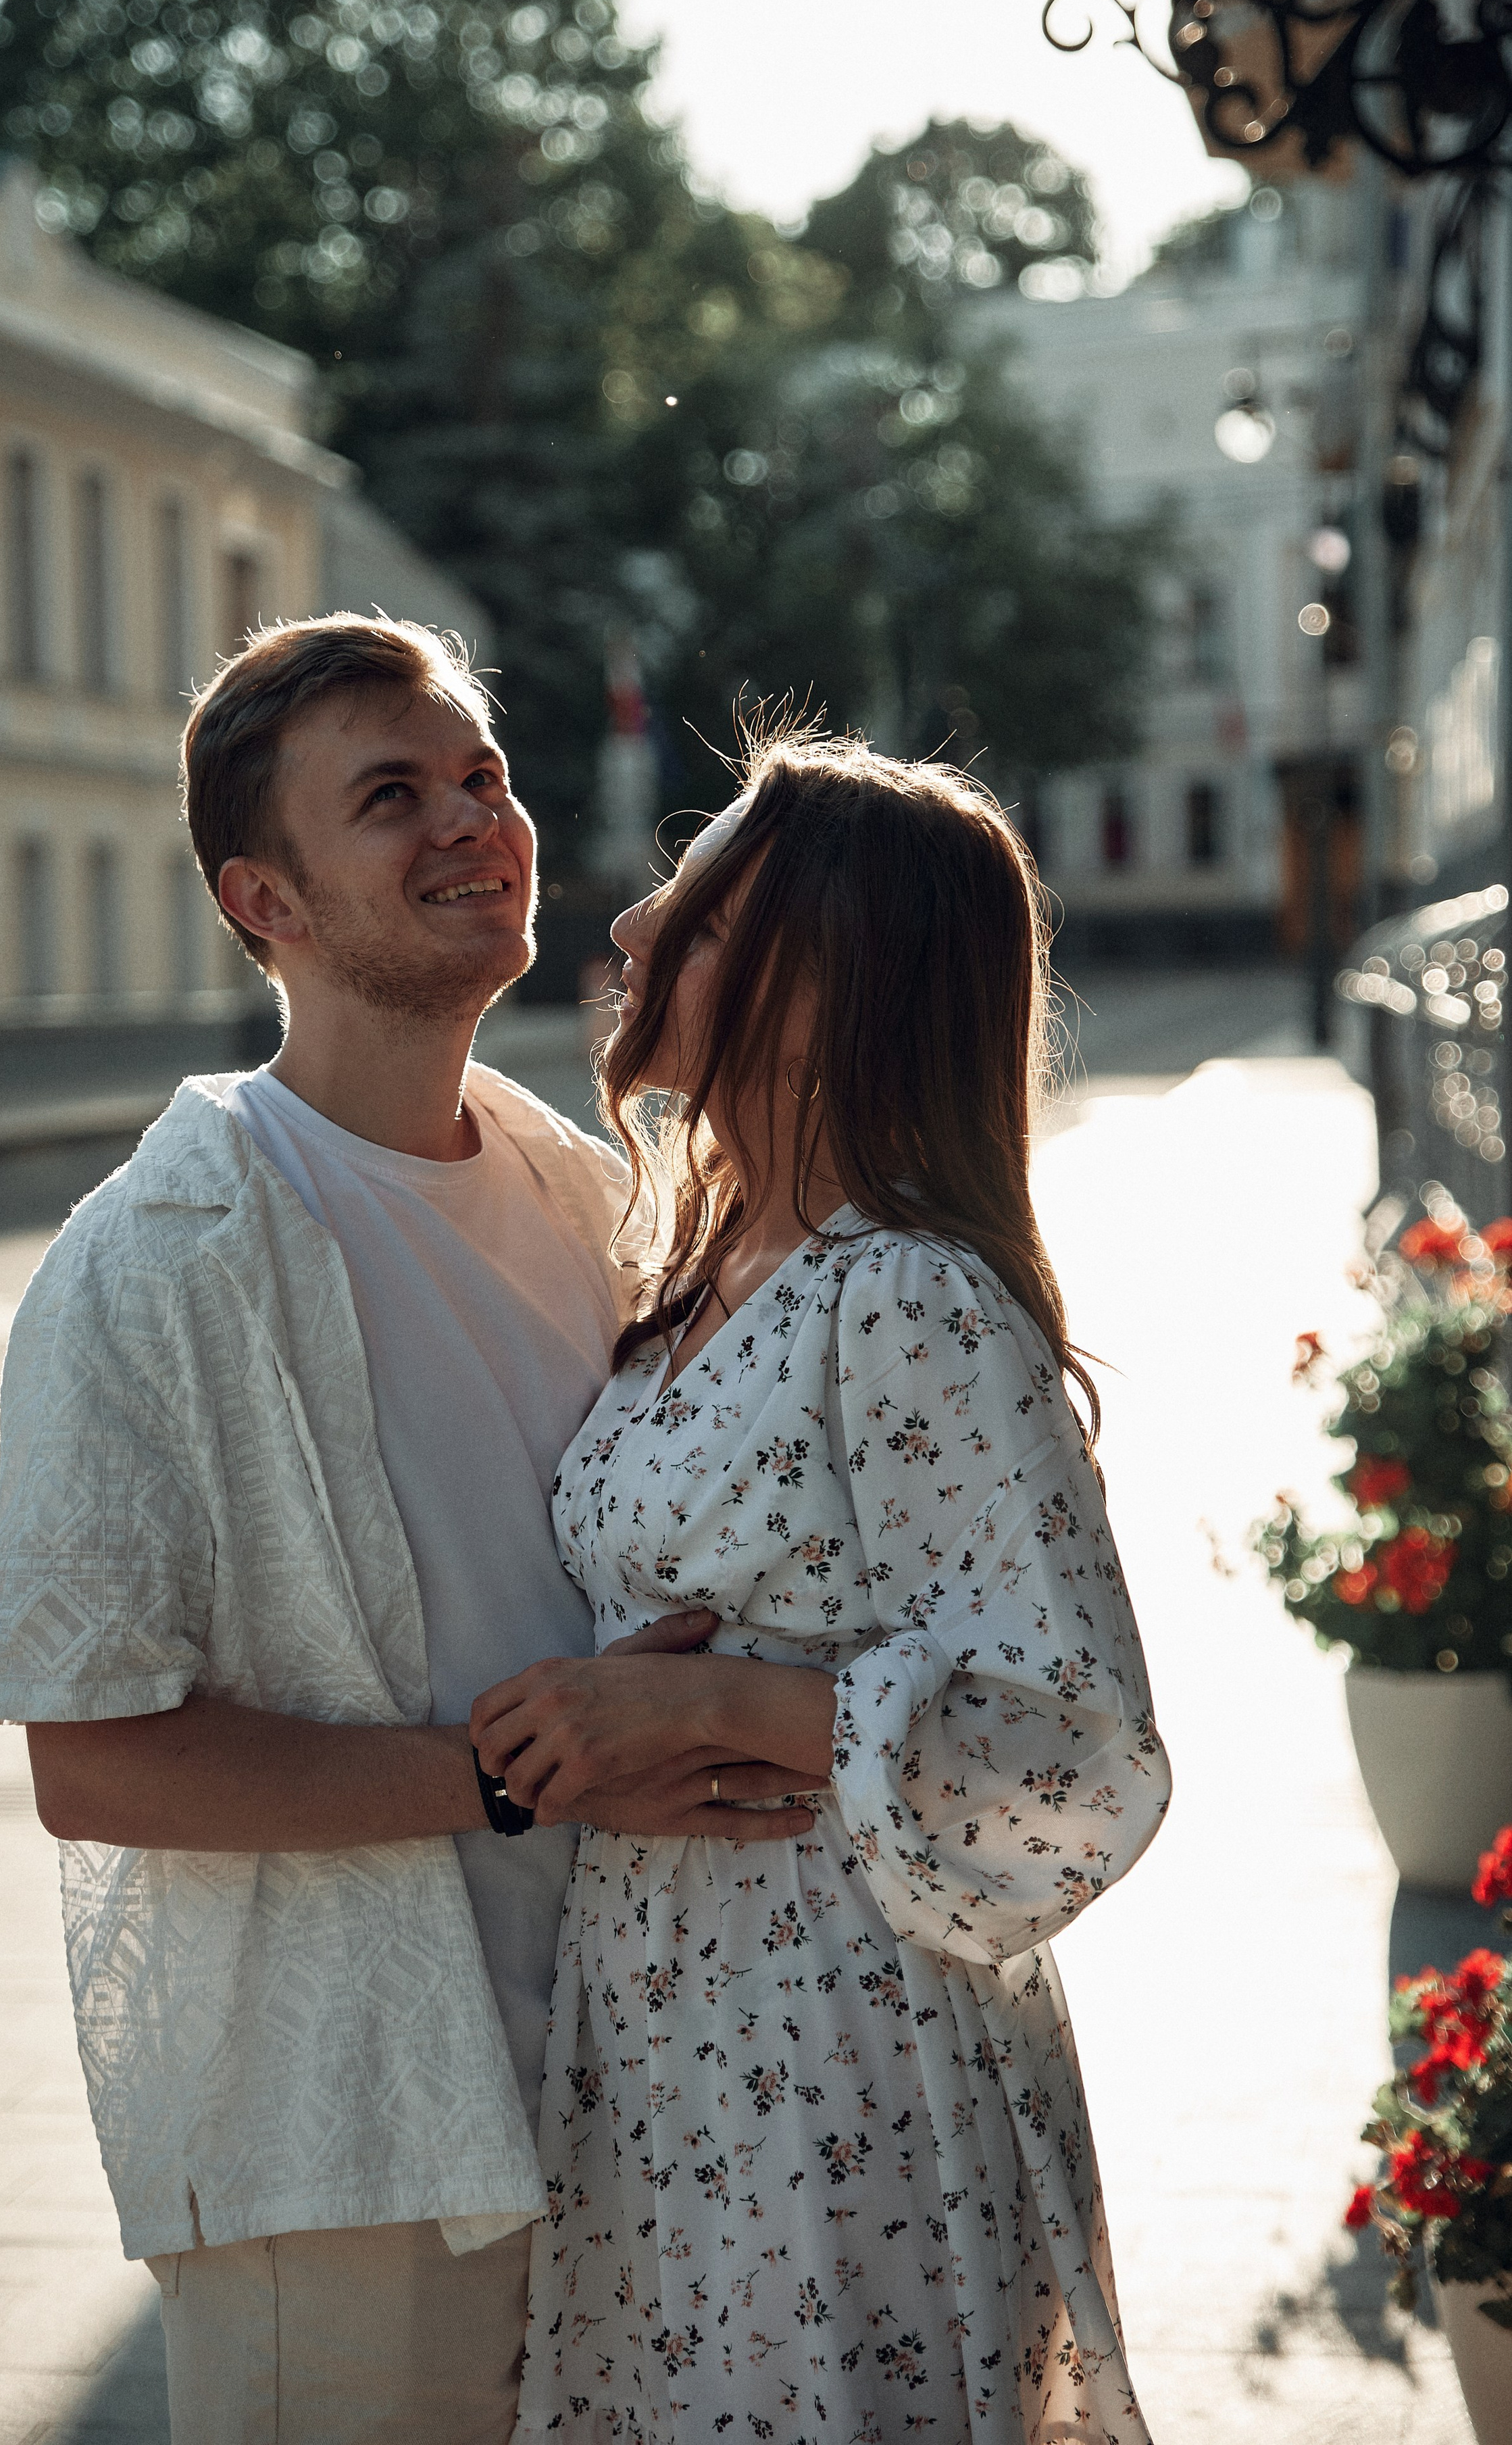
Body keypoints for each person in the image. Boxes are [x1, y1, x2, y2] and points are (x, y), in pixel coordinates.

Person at [0, 614, 809, 2445]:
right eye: (393, 796)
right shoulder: (150, 1262)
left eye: (481, 776)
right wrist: (516, 1775)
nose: (474, 825)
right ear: (264, 898)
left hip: (628, 2091)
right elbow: (96, 1763)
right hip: (348, 2149)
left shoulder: (589, 1195)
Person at [471, 730, 1173, 2443]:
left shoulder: (908, 1300)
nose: (635, 929)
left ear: (822, 984)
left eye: (702, 915)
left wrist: (714, 1705)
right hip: (658, 2042)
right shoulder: (695, 1272)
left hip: (832, 2064)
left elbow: (1080, 1764)